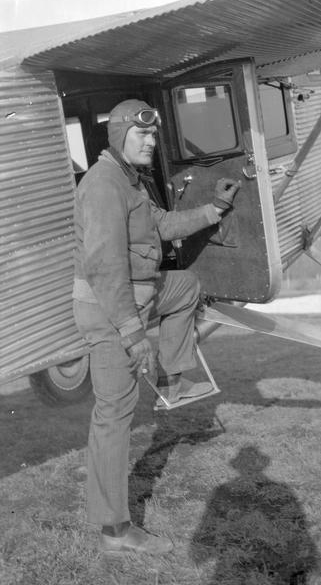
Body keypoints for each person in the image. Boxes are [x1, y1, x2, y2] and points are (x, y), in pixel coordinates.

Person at [72, 99, 240, 555]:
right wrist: (131, 333)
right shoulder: (104, 184)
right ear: (119, 135)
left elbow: (161, 223)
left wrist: (214, 210)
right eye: (141, 134)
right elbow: (105, 267)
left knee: (184, 285)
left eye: (153, 135)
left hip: (140, 291)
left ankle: (173, 377)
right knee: (114, 413)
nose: (151, 142)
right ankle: (114, 531)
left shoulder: (130, 179)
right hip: (110, 312)